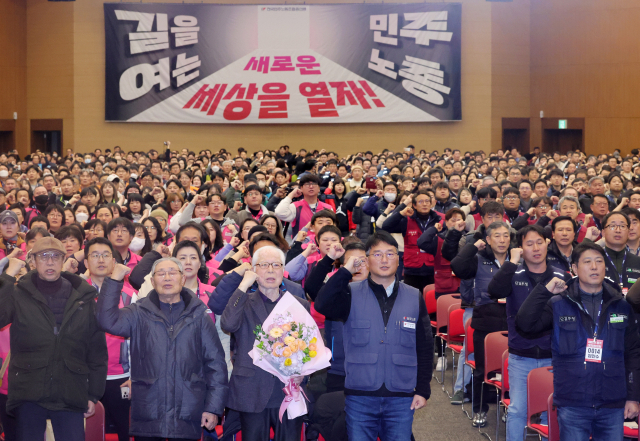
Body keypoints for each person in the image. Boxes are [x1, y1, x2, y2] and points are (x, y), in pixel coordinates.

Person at [516, 242, 640, 441]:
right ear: (574, 268)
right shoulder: (559, 303)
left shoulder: (621, 305)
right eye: (587, 262)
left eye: (599, 262)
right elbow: (524, 324)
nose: (594, 267)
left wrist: (633, 397)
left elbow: (633, 354)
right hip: (573, 401)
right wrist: (544, 291)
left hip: (612, 402)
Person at [315, 231, 432, 441]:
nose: (385, 260)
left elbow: (424, 346)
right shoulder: (350, 292)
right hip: (360, 395)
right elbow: (322, 303)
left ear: (399, 258)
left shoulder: (414, 296)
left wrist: (423, 390)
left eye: (391, 254)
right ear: (366, 260)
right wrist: (345, 270)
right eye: (377, 254)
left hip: (401, 396)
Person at [97, 257, 229, 441]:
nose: (167, 277)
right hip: (148, 411)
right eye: (161, 273)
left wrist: (213, 407)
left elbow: (215, 365)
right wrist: (114, 280)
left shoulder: (199, 315)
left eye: (173, 272)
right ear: (152, 281)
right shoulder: (138, 312)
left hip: (188, 411)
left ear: (183, 279)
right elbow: (106, 320)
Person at [0, 237, 107, 441]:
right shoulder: (17, 293)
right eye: (43, 256)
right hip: (29, 390)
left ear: (63, 260)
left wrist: (93, 394)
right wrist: (7, 277)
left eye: (56, 256)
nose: (50, 262)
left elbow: (96, 350)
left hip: (71, 389)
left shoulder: (83, 297)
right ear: (33, 261)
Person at [488, 224, 572, 440]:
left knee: (549, 412)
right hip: (520, 355)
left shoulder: (561, 275)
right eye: (529, 243)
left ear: (547, 244)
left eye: (539, 242)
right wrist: (511, 261)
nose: (535, 248)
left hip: (553, 356)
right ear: (521, 248)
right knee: (518, 410)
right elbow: (494, 291)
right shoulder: (513, 273)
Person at [220, 245, 308, 441]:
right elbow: (228, 324)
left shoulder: (298, 305)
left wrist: (304, 373)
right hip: (252, 390)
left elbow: (310, 346)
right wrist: (243, 286)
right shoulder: (243, 302)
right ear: (254, 270)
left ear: (283, 270)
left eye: (276, 265)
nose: (270, 270)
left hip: (287, 391)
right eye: (264, 265)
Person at [449, 221, 510, 426]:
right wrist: (473, 246)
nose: (502, 240)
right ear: (488, 240)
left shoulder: (517, 259)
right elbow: (456, 266)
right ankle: (479, 409)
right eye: (497, 236)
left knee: (512, 369)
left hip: (512, 320)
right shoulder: (478, 259)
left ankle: (507, 408)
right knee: (483, 369)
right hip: (485, 319)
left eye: (506, 236)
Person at [84, 237, 133, 441]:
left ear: (114, 262)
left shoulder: (130, 296)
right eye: (95, 255)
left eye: (106, 255)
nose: (101, 260)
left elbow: (139, 340)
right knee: (90, 433)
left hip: (121, 378)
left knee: (126, 432)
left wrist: (135, 375)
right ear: (86, 263)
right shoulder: (77, 295)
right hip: (85, 377)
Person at [381, 191, 442, 292]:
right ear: (414, 205)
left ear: (431, 204)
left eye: (427, 201)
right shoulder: (407, 219)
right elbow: (386, 226)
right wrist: (401, 213)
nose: (425, 204)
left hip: (433, 268)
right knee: (413, 300)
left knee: (430, 301)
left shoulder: (438, 220)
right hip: (412, 269)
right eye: (421, 201)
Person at [584, 211, 640, 295]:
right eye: (612, 226)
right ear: (603, 233)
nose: (618, 230)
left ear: (628, 232)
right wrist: (587, 241)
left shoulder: (637, 261)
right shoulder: (593, 260)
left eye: (622, 226)